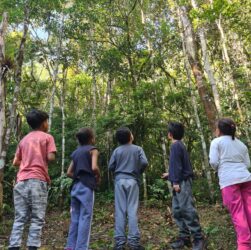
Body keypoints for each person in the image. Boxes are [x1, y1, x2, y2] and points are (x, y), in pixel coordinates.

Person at [8, 109, 57, 250]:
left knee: (20, 217)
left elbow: (15, 162)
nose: (47, 124)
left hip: (21, 181)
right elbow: (51, 158)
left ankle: (14, 246)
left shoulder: (24, 140)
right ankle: (32, 247)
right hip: (37, 181)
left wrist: (27, 161)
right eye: (47, 121)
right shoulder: (47, 137)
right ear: (43, 123)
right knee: (37, 217)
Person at [209, 118, 251, 250]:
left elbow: (214, 162)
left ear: (219, 130)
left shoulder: (216, 142)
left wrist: (221, 168)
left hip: (229, 181)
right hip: (246, 179)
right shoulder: (241, 144)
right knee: (249, 209)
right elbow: (248, 164)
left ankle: (244, 245)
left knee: (238, 213)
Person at [162, 122, 205, 250]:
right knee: (177, 210)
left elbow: (179, 167)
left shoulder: (176, 146)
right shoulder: (179, 145)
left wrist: (175, 182)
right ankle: (184, 237)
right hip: (178, 180)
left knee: (186, 209)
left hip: (181, 183)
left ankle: (198, 238)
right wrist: (170, 174)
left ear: (170, 134)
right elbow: (178, 166)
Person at [108, 127, 148, 250]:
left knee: (120, 211)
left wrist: (118, 172)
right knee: (132, 210)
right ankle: (134, 243)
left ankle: (119, 243)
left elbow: (111, 166)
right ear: (131, 137)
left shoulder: (117, 151)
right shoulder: (138, 149)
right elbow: (144, 162)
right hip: (133, 181)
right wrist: (137, 171)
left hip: (119, 181)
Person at [65, 127, 101, 250]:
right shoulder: (93, 150)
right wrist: (98, 176)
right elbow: (94, 167)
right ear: (91, 138)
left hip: (75, 186)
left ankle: (70, 246)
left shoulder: (76, 152)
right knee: (85, 217)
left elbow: (69, 172)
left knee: (75, 217)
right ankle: (81, 247)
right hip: (87, 187)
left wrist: (78, 176)